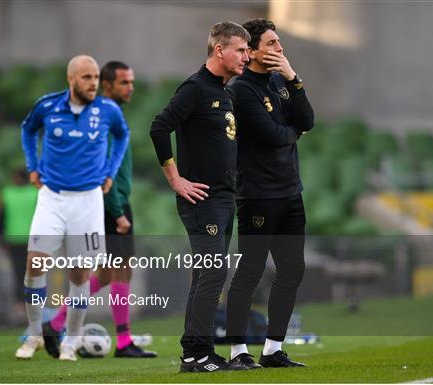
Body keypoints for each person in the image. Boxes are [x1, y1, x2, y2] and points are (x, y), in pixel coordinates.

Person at [150, 21, 250, 372]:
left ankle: (195, 353)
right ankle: (198, 354)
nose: (246, 56)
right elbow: (160, 127)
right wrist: (176, 179)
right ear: (219, 50)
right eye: (240, 49)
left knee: (207, 275)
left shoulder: (228, 92)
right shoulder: (194, 88)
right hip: (202, 200)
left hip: (225, 198)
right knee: (212, 274)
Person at [15, 55, 129, 361]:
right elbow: (27, 130)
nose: (93, 83)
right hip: (52, 197)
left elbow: (122, 136)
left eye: (95, 77)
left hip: (88, 201)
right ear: (71, 79)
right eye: (86, 77)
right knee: (34, 264)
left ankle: (70, 341)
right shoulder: (48, 106)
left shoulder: (108, 110)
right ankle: (35, 334)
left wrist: (109, 172)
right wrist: (32, 165)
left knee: (79, 274)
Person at [44, 61, 156, 358]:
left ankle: (55, 323)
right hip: (111, 203)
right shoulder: (103, 117)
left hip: (110, 201)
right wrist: (118, 210)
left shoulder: (107, 114)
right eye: (124, 83)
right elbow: (104, 169)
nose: (130, 87)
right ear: (107, 85)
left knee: (107, 275)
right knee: (121, 273)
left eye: (131, 82)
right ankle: (123, 342)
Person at [225, 18, 314, 369]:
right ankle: (237, 351)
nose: (280, 48)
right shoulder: (241, 89)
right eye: (273, 43)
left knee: (292, 269)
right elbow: (274, 135)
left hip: (291, 191)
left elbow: (307, 121)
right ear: (254, 50)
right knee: (251, 270)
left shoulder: (280, 81)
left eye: (280, 42)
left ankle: (273, 349)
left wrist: (293, 77)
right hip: (258, 195)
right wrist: (293, 132)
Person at [0, 169, 38, 320]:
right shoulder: (35, 193)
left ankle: (22, 308)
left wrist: (1, 238)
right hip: (31, 240)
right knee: (33, 274)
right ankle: (29, 308)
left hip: (14, 240)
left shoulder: (6, 193)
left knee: (18, 274)